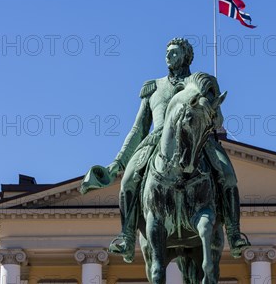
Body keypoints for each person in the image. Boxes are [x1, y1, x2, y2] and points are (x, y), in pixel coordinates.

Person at [81, 38, 249, 262]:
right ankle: (127, 237)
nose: (168, 56)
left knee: (228, 176)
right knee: (128, 180)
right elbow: (139, 128)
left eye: (174, 52)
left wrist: (210, 109)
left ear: (186, 56)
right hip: (157, 141)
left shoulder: (201, 83)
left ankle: (235, 233)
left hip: (199, 140)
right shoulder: (154, 87)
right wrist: (118, 162)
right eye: (167, 52)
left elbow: (217, 119)